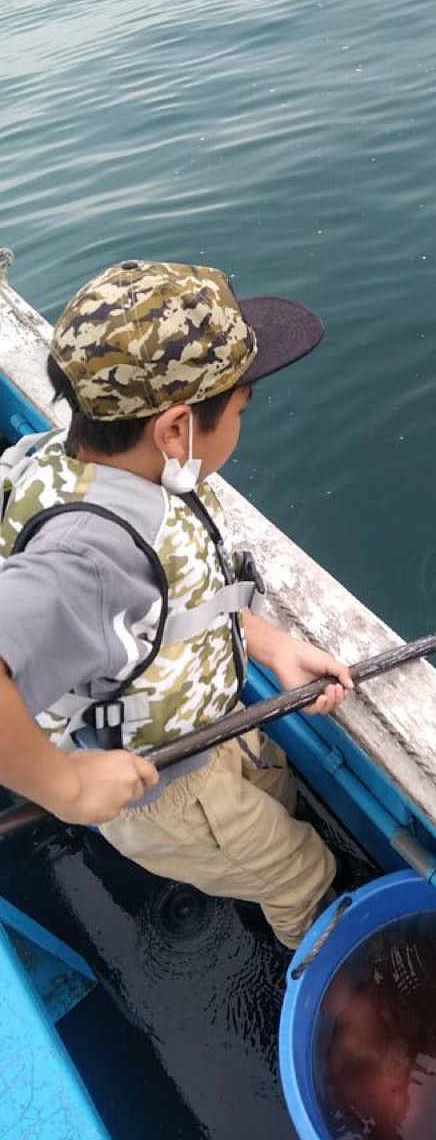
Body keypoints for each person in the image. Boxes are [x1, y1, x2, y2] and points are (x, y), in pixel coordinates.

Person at [0, 259, 353, 950]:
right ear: (175, 429)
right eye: (241, 412)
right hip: (167, 796)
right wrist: (65, 786)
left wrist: (272, 644)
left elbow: (175, 599)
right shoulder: (91, 554)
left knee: (274, 797)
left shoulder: (94, 465)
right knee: (304, 873)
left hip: (208, 729)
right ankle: (311, 963)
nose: (243, 424)